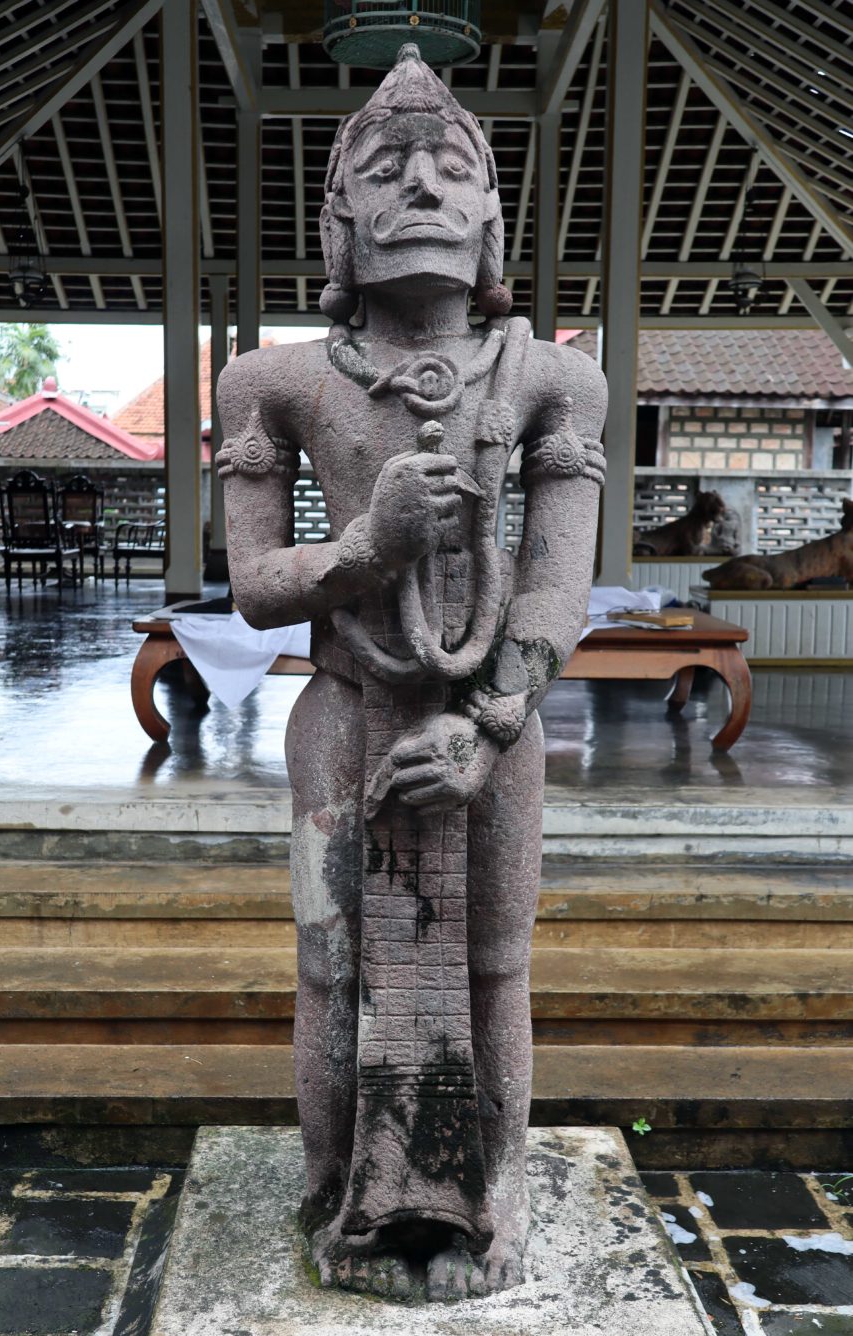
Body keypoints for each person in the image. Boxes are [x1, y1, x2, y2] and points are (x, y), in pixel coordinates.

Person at [217, 44, 606, 1302]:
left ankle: (491, 1199)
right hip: (343, 711)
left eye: (453, 168)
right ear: (339, 222)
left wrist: (493, 724)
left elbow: (556, 586)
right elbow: (256, 585)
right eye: (386, 169)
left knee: (497, 964)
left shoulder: (554, 379)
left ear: (494, 220)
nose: (424, 187)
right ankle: (339, 1191)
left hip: (490, 725)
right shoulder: (274, 382)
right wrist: (367, 544)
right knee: (330, 966)